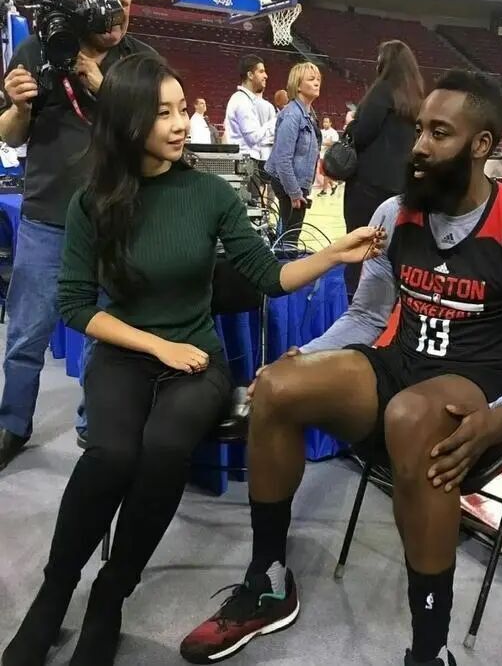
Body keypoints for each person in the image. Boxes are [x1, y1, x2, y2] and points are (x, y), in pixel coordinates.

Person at [181, 70, 502, 666]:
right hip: (400, 372)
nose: (419, 145)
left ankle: (429, 651)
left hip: (482, 396)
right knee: (280, 386)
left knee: (413, 417)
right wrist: (306, 356)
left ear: (481, 145)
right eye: (419, 129)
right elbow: (367, 317)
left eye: (439, 133)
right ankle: (268, 582)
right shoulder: (396, 214)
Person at [0, 53, 383, 666]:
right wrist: (158, 346)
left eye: (182, 110)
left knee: (163, 450)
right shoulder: (92, 201)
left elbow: (267, 275)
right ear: (127, 120)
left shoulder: (208, 194)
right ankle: (53, 596)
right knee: (110, 454)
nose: (181, 124)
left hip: (200, 363)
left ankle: (110, 595)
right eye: (164, 113)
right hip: (127, 354)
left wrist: (335, 253)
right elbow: (75, 306)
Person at [0, 0, 155, 471]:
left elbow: (154, 130)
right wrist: (19, 108)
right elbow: (9, 136)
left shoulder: (140, 61)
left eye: (128, 1)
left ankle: (95, 427)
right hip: (46, 218)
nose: (120, 11)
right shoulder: (37, 48)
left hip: (115, 220)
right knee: (27, 332)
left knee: (104, 336)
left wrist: (101, 85)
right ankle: (12, 424)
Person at [343, 39, 424, 297]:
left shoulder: (382, 91)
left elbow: (362, 134)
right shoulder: (417, 99)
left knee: (359, 249)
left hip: (368, 187)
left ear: (385, 63)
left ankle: (356, 304)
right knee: (391, 252)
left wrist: (351, 124)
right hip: (401, 188)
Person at [265, 62, 322, 242]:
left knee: (289, 238)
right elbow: (283, 158)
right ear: (297, 85)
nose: (317, 83)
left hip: (296, 184)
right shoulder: (292, 115)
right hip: (290, 185)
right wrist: (294, 192)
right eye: (311, 79)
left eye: (318, 79)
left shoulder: (308, 114)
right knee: (288, 241)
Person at [317, 116, 340, 196]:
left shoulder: (333, 132)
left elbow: (334, 143)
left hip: (329, 155)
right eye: (324, 122)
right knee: (323, 173)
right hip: (321, 154)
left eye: (327, 122)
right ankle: (333, 184)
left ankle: (324, 190)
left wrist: (324, 143)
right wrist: (326, 142)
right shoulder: (321, 132)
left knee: (326, 173)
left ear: (330, 123)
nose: (325, 123)